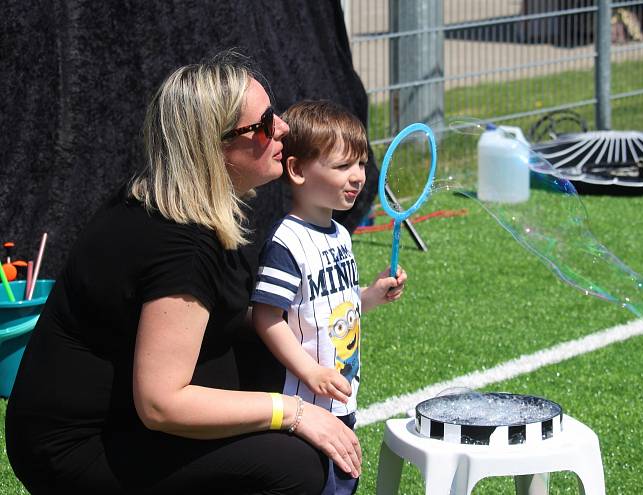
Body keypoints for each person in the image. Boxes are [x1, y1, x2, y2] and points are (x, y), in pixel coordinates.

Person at [5, 53, 362, 494]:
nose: (284, 127)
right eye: (265, 123)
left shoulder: (170, 197)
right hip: (78, 448)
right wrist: (294, 412)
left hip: (113, 418)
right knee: (294, 466)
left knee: (270, 358)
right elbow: (161, 404)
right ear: (214, 147)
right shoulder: (183, 247)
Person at [250, 100, 406, 494]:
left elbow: (335, 305)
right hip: (303, 409)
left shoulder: (339, 233)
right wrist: (310, 372)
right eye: (342, 166)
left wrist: (371, 295)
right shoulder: (287, 241)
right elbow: (265, 317)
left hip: (340, 399)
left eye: (361, 164)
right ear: (298, 170)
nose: (357, 177)